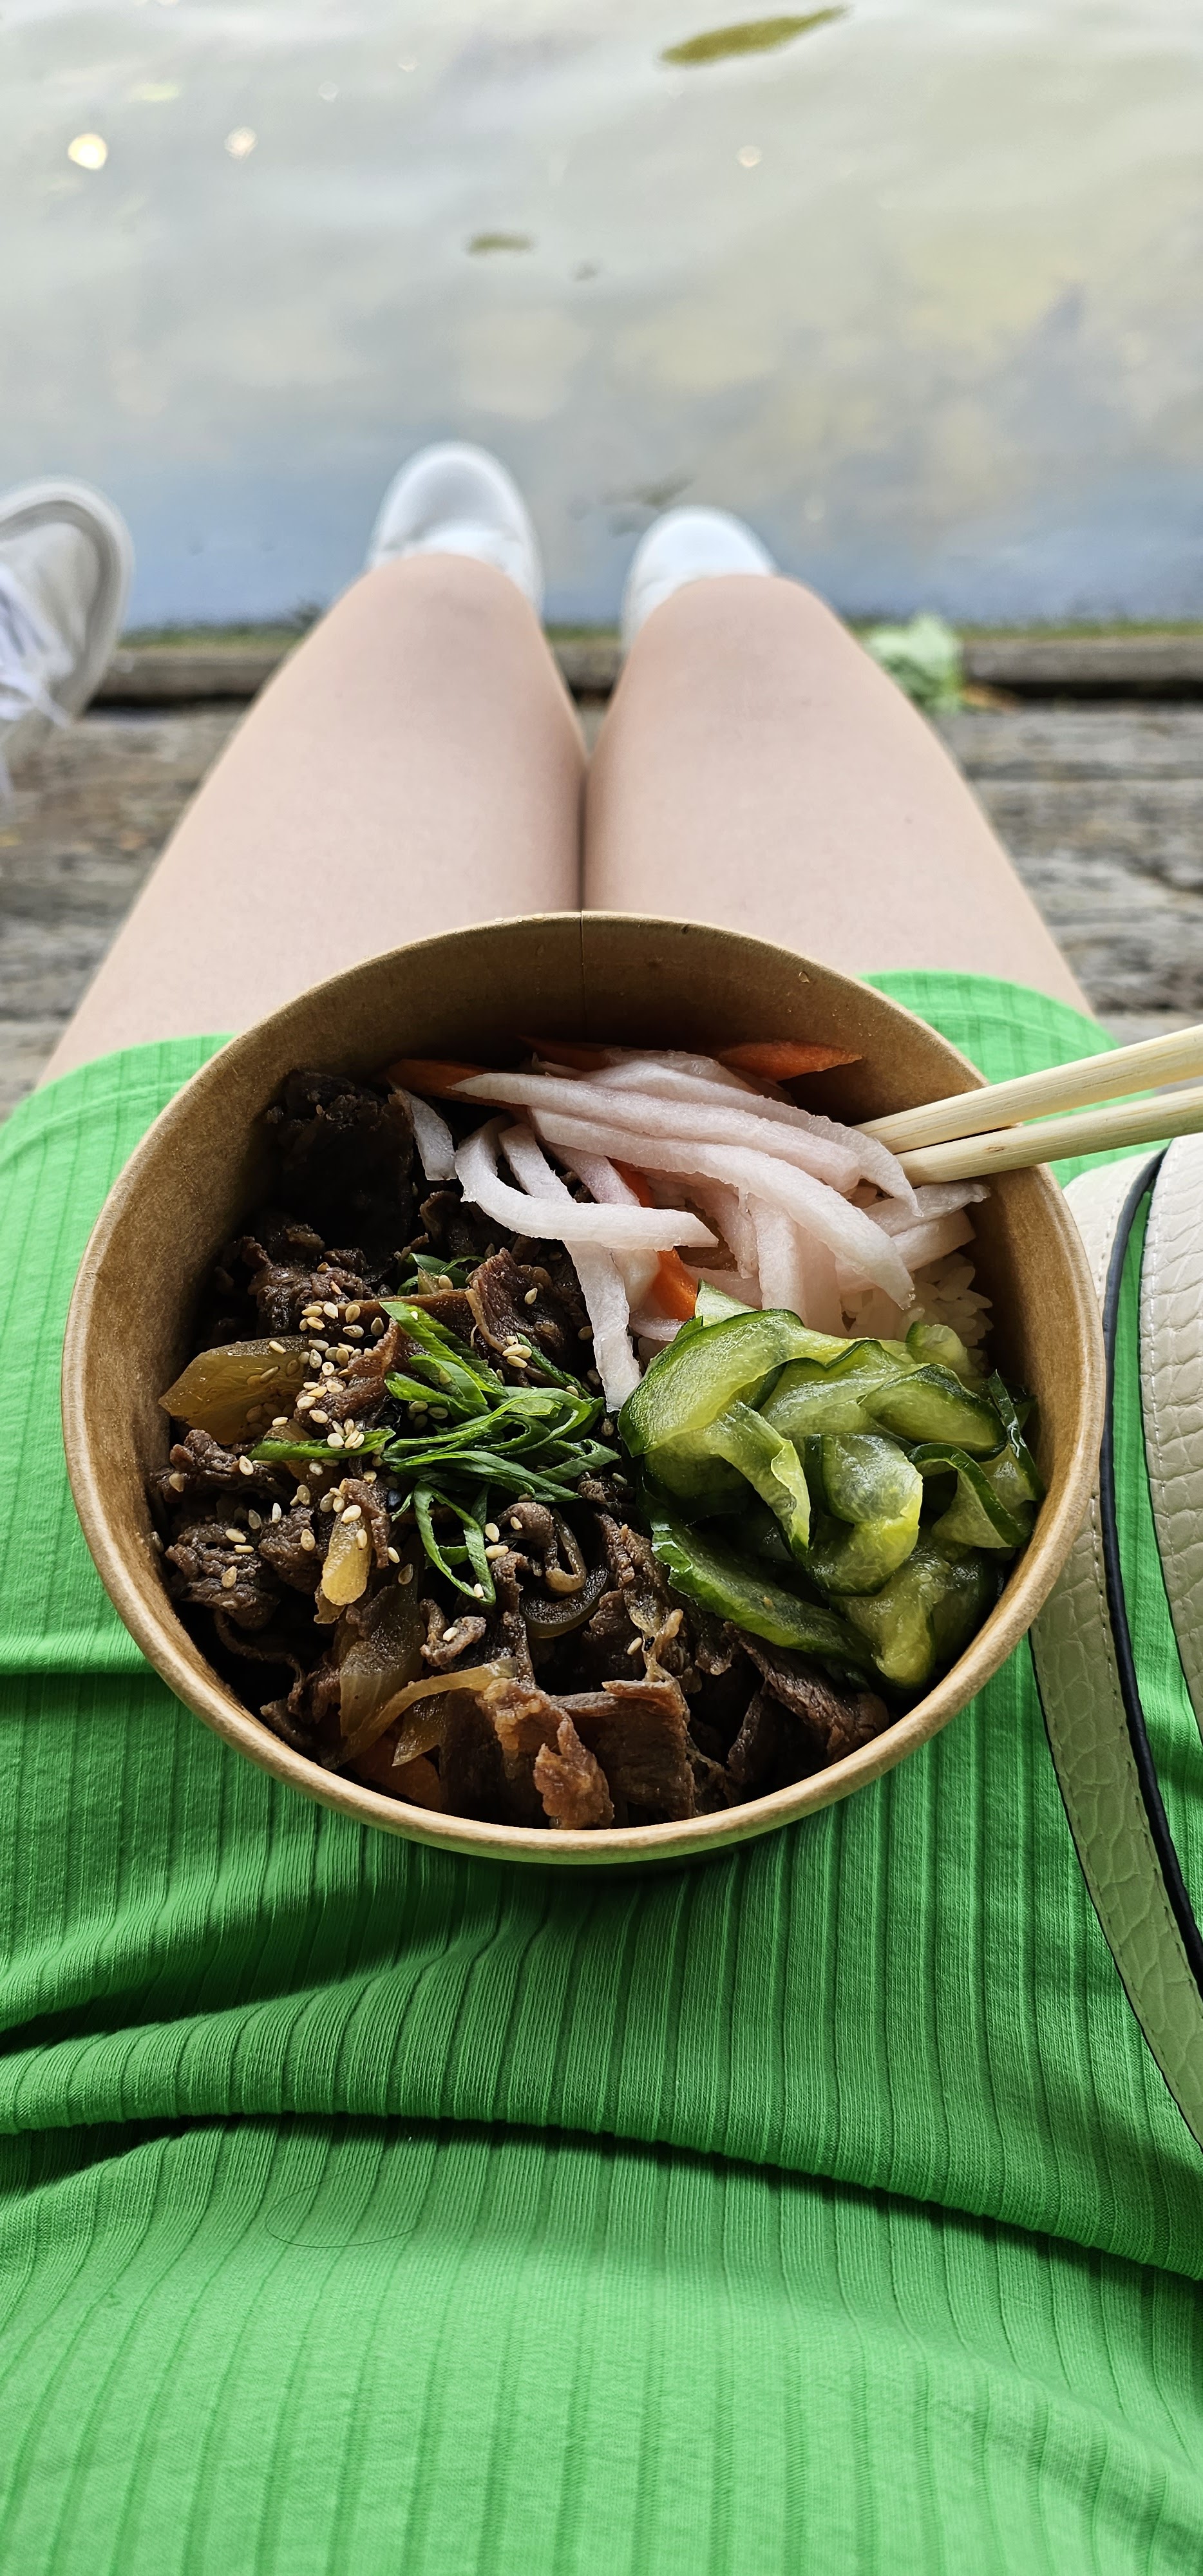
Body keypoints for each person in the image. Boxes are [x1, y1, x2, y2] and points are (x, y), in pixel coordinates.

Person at [0, 449, 1199, 2573]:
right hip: (1060, 1959)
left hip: (117, 1983)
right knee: (755, 668)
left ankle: (465, 572)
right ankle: (688, 588)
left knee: (414, 661)